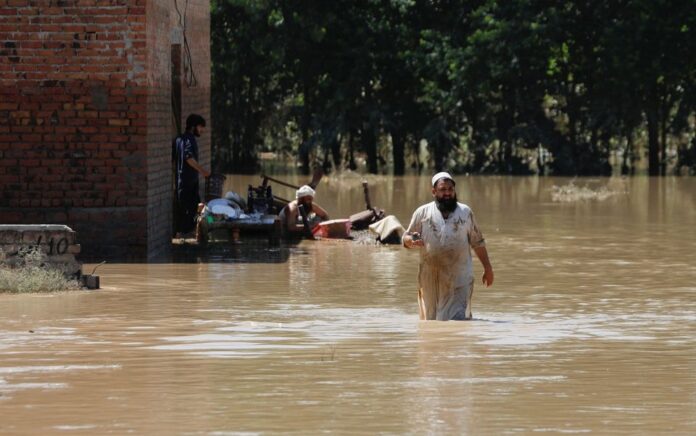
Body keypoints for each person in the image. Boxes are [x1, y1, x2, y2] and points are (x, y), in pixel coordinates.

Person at [402, 172, 494, 320]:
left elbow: (478, 242)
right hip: (430, 279)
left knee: (457, 321)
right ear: (434, 192)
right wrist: (411, 241)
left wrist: (488, 268)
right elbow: (405, 237)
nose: (447, 193)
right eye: (443, 190)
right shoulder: (422, 213)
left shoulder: (465, 213)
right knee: (430, 322)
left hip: (460, 279)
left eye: (450, 189)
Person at [174, 114, 211, 237]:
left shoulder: (179, 139)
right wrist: (203, 171)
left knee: (198, 211)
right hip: (187, 184)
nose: (202, 130)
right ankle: (185, 238)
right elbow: (188, 158)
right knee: (189, 214)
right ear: (193, 126)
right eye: (200, 127)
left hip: (185, 184)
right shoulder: (189, 140)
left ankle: (201, 230)